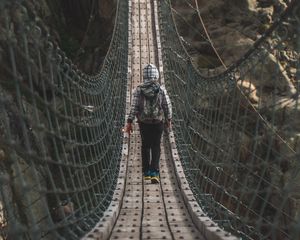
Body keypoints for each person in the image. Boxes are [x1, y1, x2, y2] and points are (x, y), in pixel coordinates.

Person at [124, 64, 172, 184]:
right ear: (156, 75)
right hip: (158, 121)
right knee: (156, 145)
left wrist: (129, 122)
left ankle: (146, 173)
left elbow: (134, 107)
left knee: (145, 145)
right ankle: (154, 172)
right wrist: (168, 120)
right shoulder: (161, 89)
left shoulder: (139, 90)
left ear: (144, 76)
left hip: (144, 122)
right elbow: (167, 106)